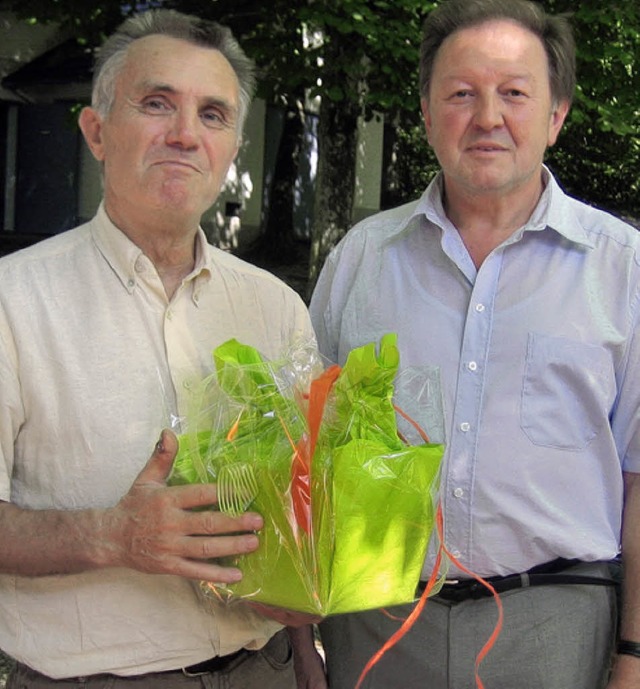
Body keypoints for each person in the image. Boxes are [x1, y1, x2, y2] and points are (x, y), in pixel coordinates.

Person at [297, 0, 640, 687]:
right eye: (461, 94)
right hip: (376, 620)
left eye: (514, 93)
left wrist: (633, 656)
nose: (488, 117)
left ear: (556, 115)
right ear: (426, 115)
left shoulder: (624, 269)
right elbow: (306, 462)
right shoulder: (361, 260)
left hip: (558, 623)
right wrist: (303, 637)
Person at [0, 9, 316, 689]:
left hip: (264, 669)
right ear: (96, 131)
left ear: (232, 145)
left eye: (212, 114)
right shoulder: (11, 302)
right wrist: (111, 535)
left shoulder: (276, 308)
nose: (184, 134)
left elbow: (300, 508)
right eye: (156, 104)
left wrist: (308, 647)